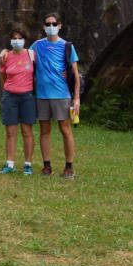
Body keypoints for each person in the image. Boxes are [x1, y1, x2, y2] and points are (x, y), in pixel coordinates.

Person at [30, 12, 80, 179]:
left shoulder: (67, 46)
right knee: (44, 130)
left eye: (54, 24)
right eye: (47, 24)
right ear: (44, 27)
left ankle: (69, 166)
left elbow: (75, 73)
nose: (51, 27)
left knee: (65, 129)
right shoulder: (36, 45)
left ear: (59, 26)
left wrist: (76, 98)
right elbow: (22, 56)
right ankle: (46, 165)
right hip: (42, 95)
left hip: (61, 94)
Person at [0, 28, 36, 175]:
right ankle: (10, 163)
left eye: (20, 38)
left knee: (27, 131)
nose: (17, 41)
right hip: (10, 96)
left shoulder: (32, 55)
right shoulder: (5, 57)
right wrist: (6, 91)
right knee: (10, 132)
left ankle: (27, 164)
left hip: (28, 96)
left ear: (25, 40)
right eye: (14, 38)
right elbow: (3, 76)